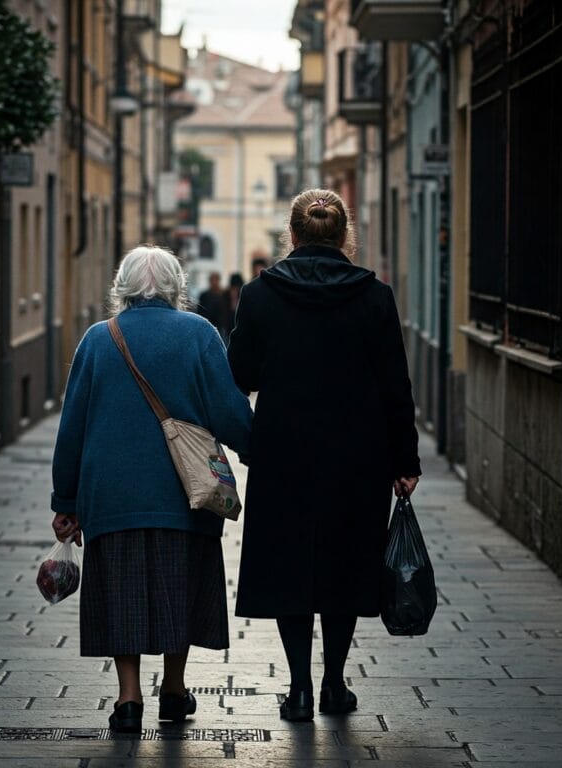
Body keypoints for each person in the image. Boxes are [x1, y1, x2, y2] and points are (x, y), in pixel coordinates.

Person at [227, 188, 421, 722]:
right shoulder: (374, 296)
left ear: (292, 234)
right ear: (343, 237)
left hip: (284, 452)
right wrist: (405, 460)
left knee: (290, 565)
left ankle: (299, 688)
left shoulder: (260, 295)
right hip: (357, 456)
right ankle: (335, 682)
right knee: (345, 564)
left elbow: (238, 375)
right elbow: (394, 386)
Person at [50, 246, 252, 734]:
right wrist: (259, 448)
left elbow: (71, 424)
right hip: (184, 493)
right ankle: (175, 690)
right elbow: (228, 412)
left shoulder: (99, 340)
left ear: (122, 287)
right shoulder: (199, 334)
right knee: (178, 588)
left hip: (111, 496)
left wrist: (65, 501)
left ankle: (128, 697)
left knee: (121, 592)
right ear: (175, 286)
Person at [196, 271, 226, 335]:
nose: (214, 282)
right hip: (207, 325)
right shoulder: (204, 295)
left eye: (216, 279)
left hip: (221, 327)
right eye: (212, 280)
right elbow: (200, 311)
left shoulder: (224, 295)